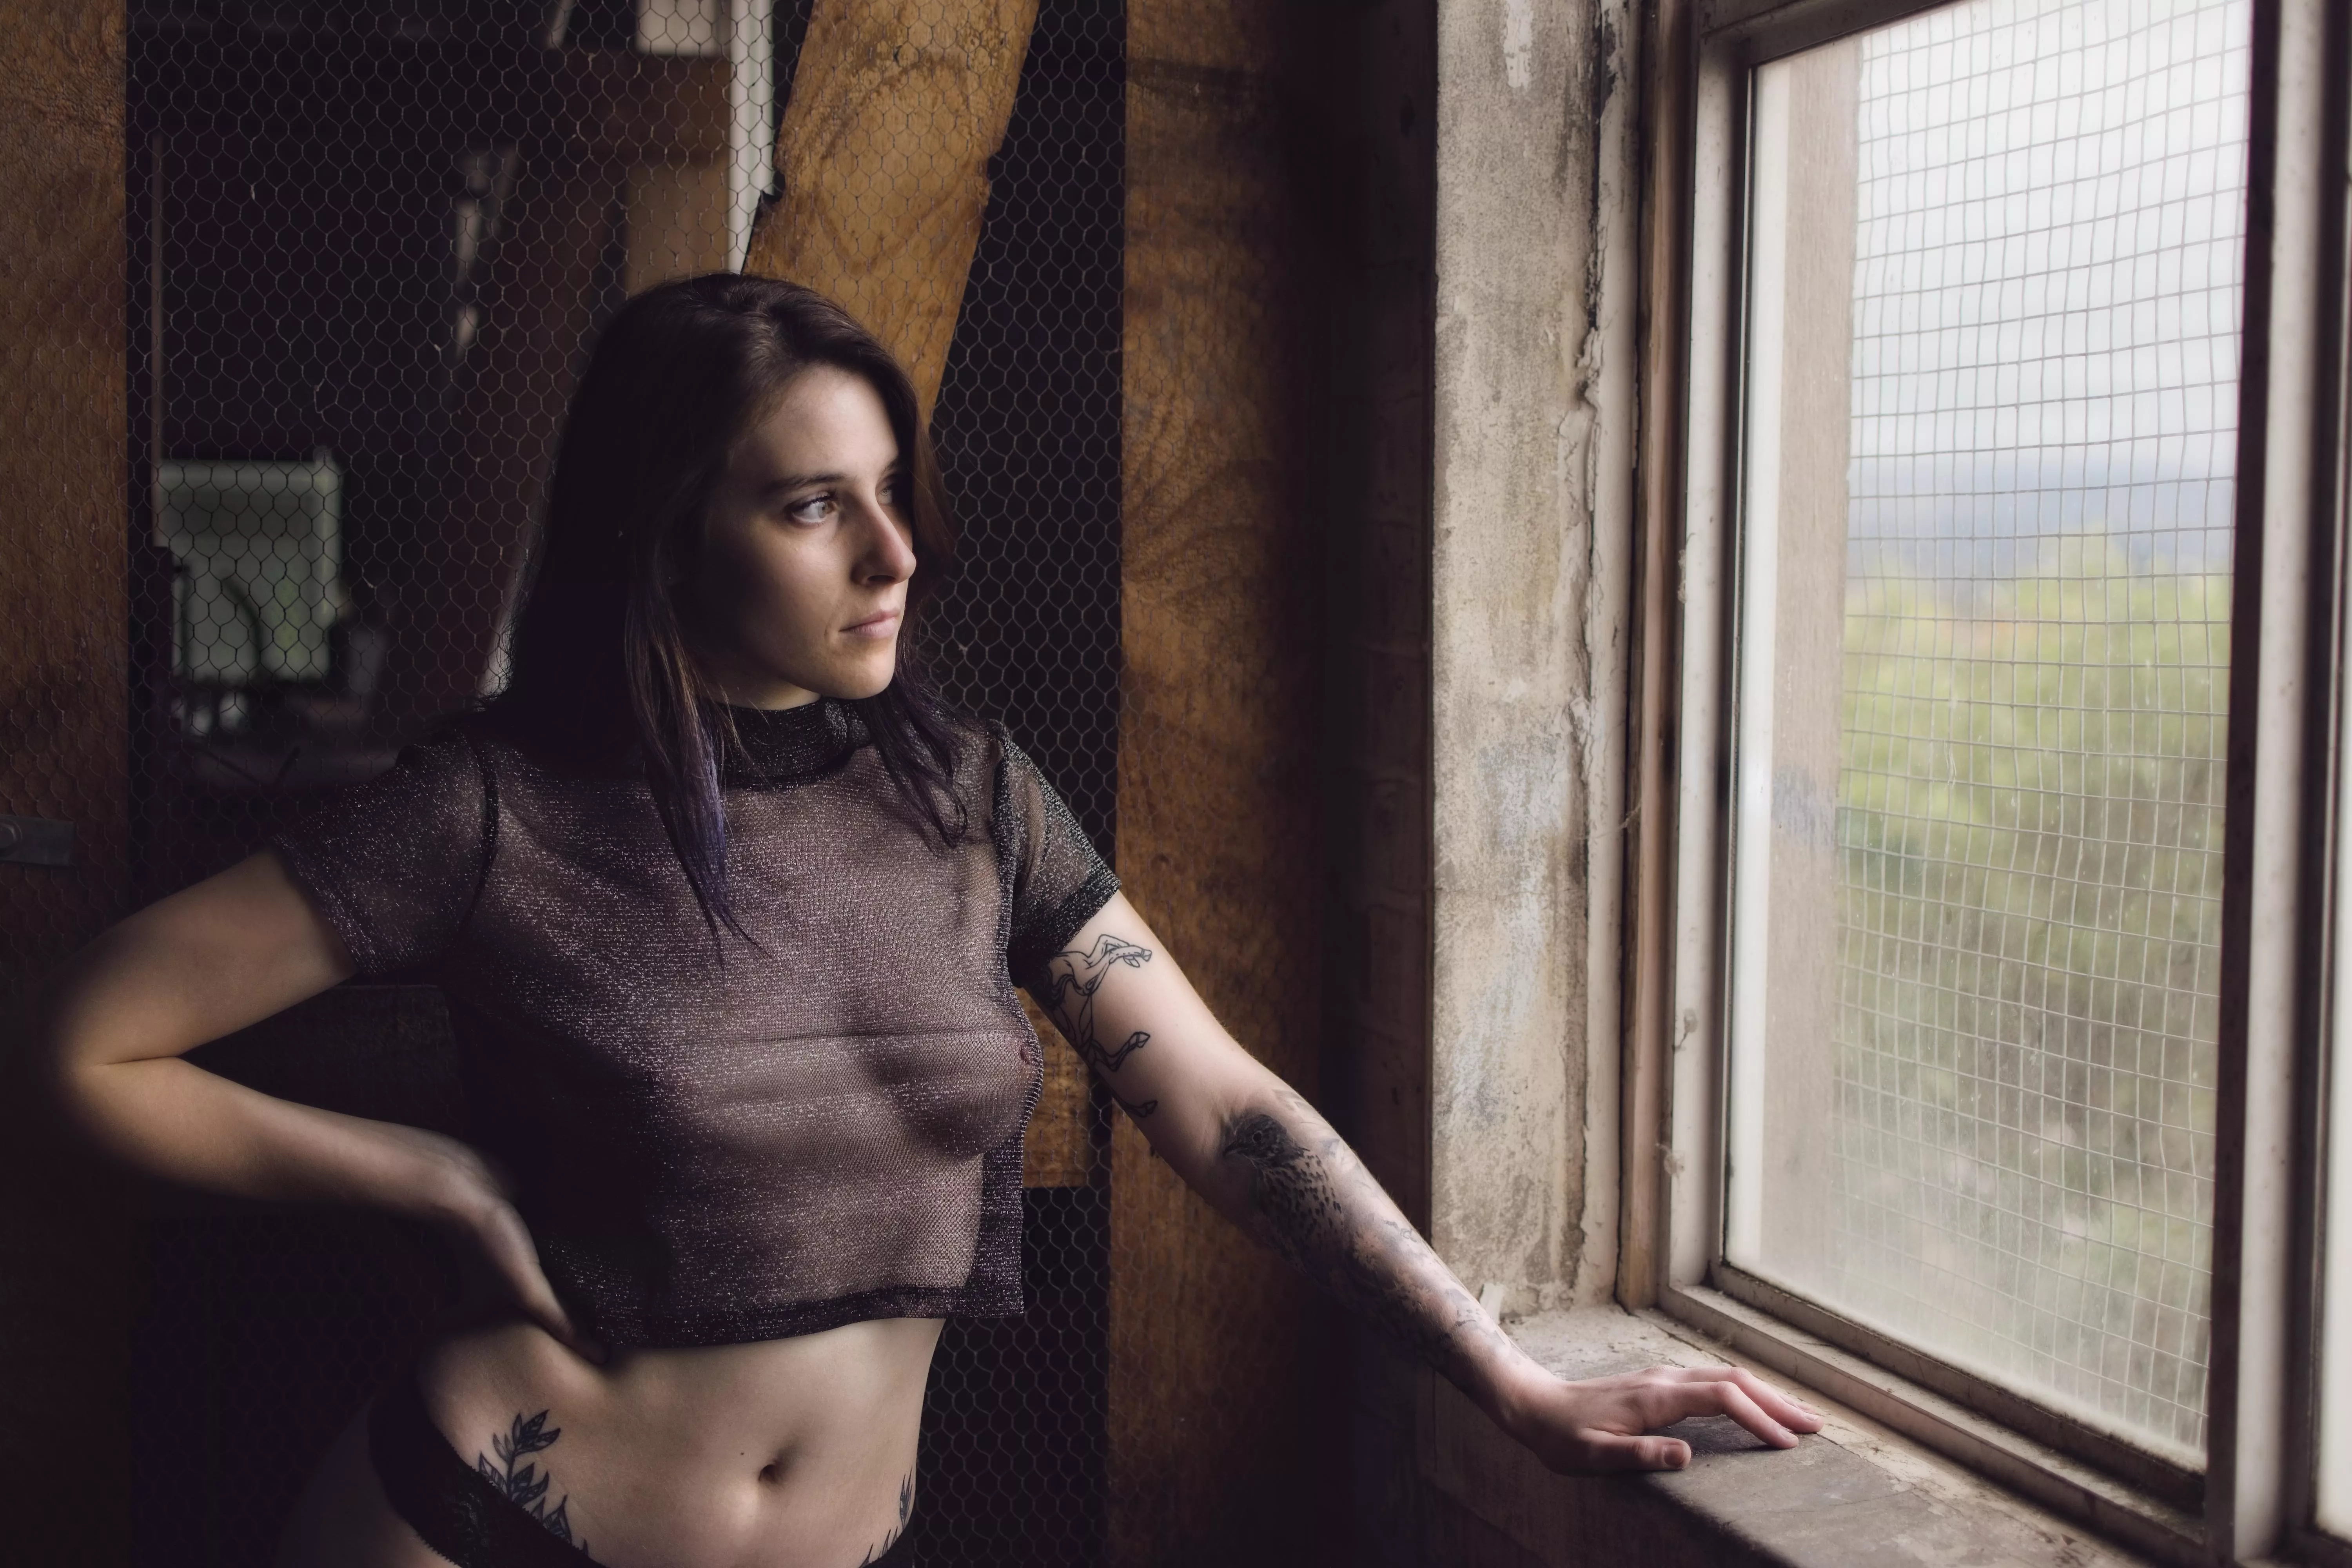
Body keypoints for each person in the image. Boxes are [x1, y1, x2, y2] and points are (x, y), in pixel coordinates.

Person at [40, 275, 1820, 1568]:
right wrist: (433, 1174)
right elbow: (84, 1044)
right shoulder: (492, 813)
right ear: (667, 541)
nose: (897, 553)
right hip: (480, 1520)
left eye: (893, 490)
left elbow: (1220, 1102)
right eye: (818, 505)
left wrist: (1505, 1376)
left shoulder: (968, 795)